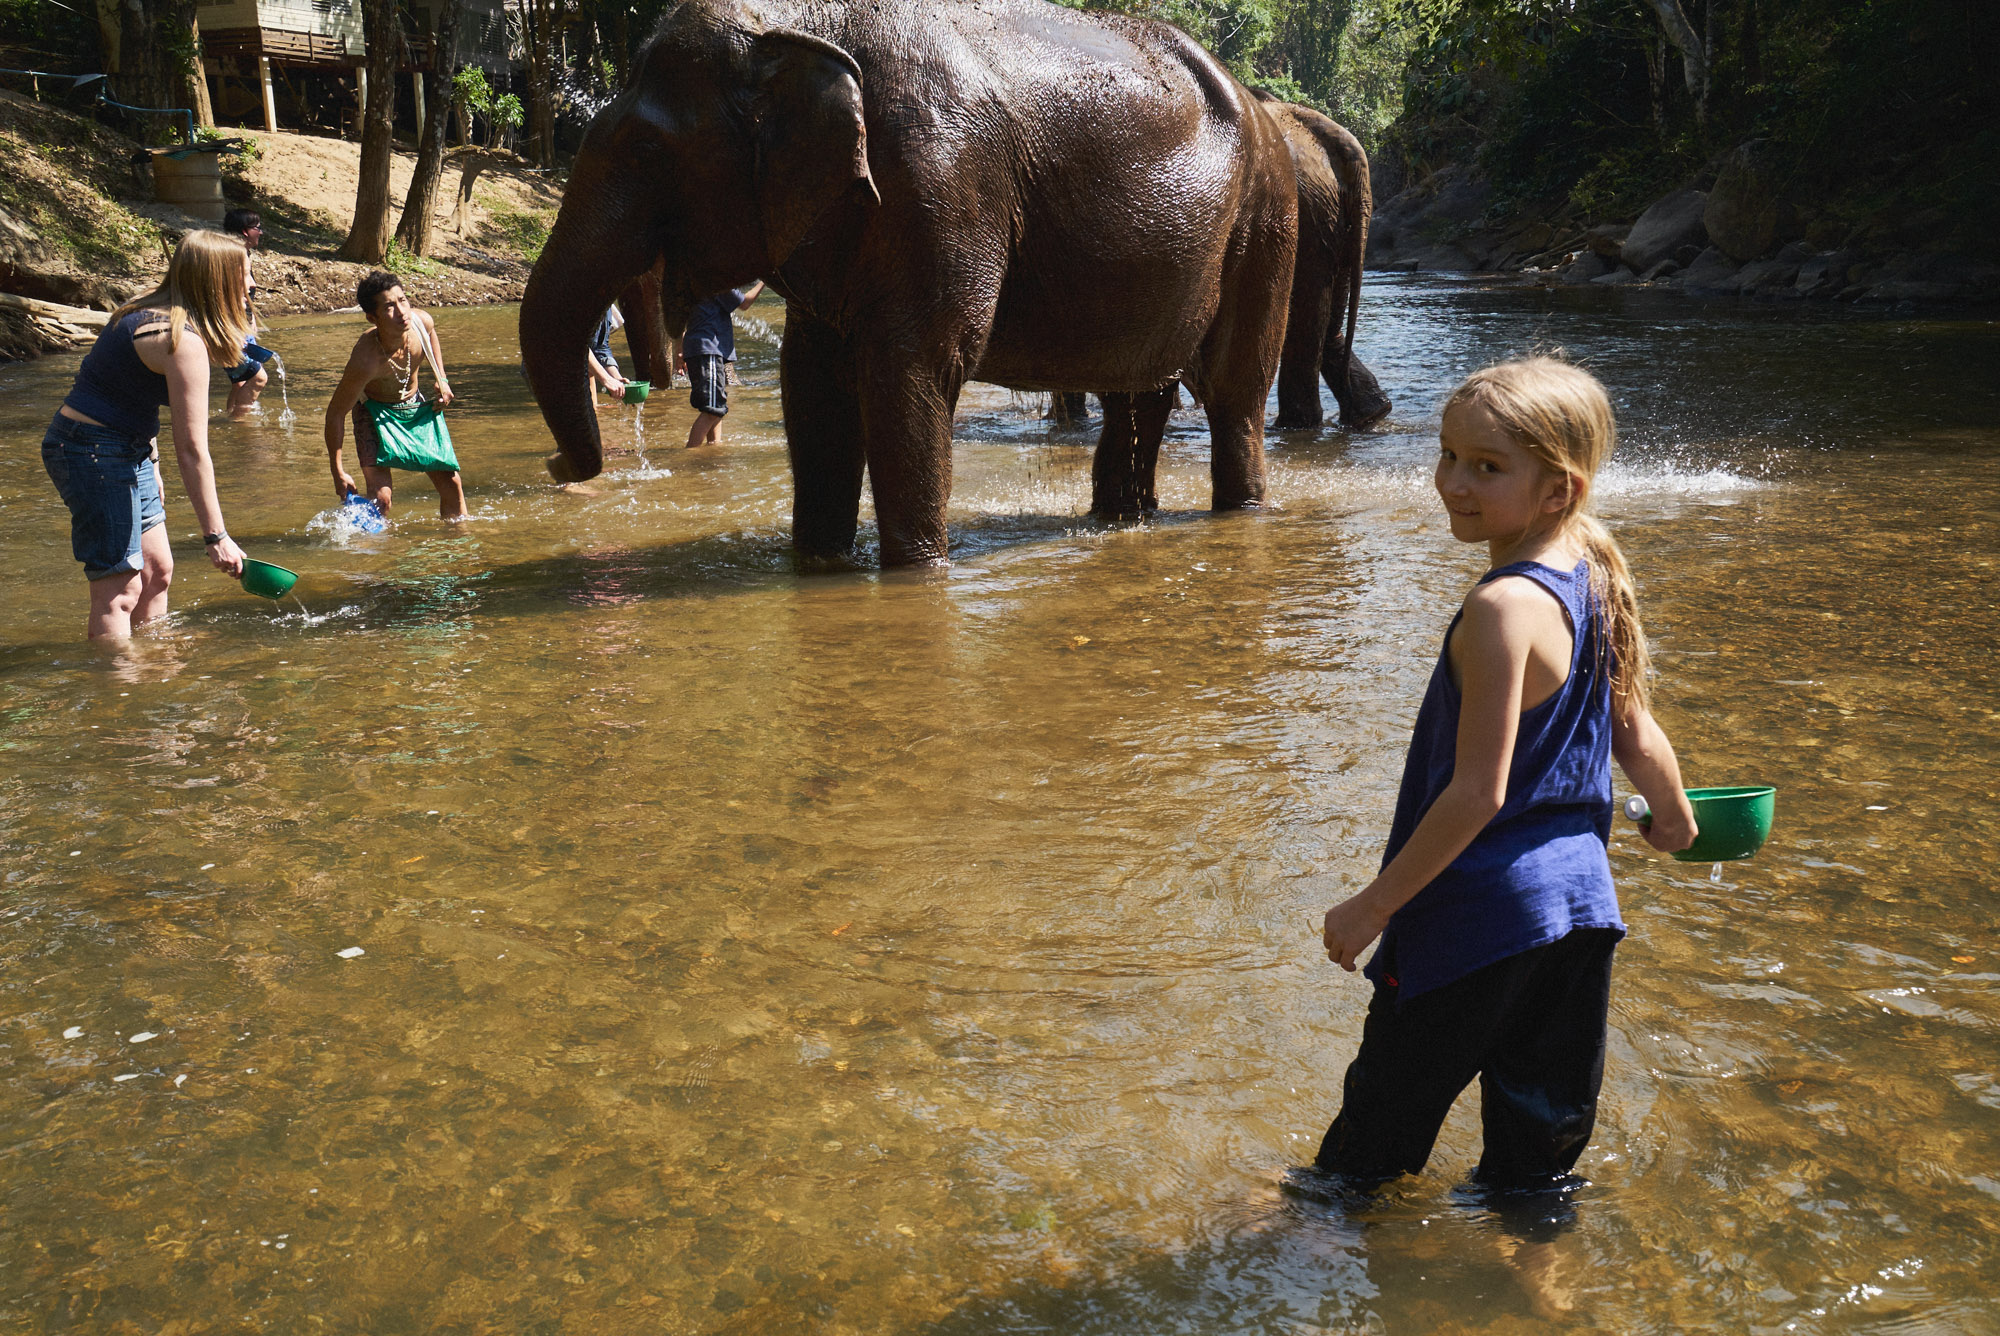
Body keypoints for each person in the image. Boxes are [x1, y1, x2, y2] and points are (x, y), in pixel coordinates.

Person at [1299, 357, 1699, 1227]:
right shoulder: (1594, 572)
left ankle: (1303, 1286)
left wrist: (1373, 906)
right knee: (1536, 1154)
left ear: (1559, 489)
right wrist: (1672, 817)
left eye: (1487, 467)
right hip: (1580, 912)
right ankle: (1538, 1290)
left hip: (1474, 919)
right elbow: (1634, 728)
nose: (1452, 484)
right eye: (1447, 455)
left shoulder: (1502, 608)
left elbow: (1477, 795)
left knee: (1366, 1152)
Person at [40, 229, 250, 639]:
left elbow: (131, 394)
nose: (252, 284)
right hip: (90, 450)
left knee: (157, 572)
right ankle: (115, 692)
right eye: (245, 273)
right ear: (219, 280)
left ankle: (153, 677)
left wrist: (149, 460)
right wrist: (216, 535)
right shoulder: (179, 340)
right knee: (120, 588)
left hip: (127, 448)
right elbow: (192, 451)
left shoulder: (155, 315)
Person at [324, 270, 463, 521]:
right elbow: (335, 414)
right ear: (372, 317)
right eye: (389, 306)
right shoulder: (366, 360)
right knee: (381, 500)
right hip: (375, 412)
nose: (402, 312)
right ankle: (375, 552)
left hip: (415, 406)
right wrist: (338, 472)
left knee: (452, 484)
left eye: (403, 300)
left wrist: (441, 378)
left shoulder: (421, 323)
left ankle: (459, 549)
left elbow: (431, 336)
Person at [675, 280, 763, 448]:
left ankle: (713, 449)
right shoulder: (717, 281)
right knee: (712, 410)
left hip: (701, 349)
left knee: (716, 408)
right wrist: (766, 280)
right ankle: (689, 455)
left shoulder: (696, 278)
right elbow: (745, 303)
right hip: (709, 350)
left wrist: (680, 350)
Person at [221, 208, 269, 419]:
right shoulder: (234, 257)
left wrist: (251, 323)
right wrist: (237, 332)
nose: (260, 232)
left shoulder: (240, 254)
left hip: (240, 326)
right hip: (233, 328)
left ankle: (227, 420)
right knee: (258, 378)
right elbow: (228, 297)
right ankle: (239, 428)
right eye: (257, 228)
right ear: (244, 231)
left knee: (240, 382)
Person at [589, 303, 627, 401]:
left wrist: (616, 378)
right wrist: (607, 379)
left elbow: (600, 346)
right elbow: (575, 345)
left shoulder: (605, 304)